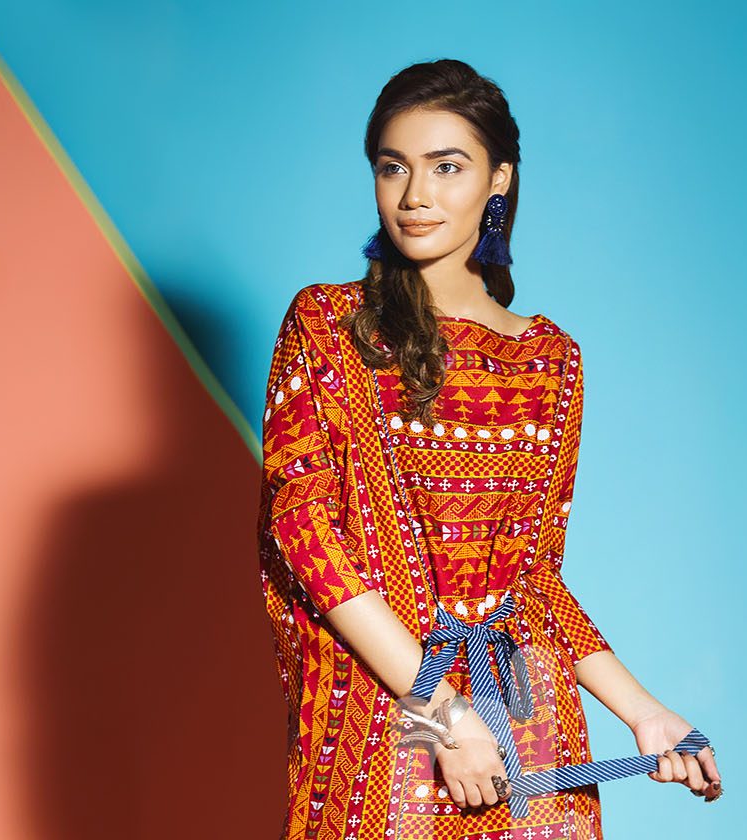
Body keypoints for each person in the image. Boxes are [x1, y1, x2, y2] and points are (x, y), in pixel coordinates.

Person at [256, 58, 722, 840]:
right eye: (393, 167)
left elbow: (534, 580)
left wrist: (645, 713)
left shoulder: (551, 359)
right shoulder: (329, 327)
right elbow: (305, 535)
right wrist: (441, 713)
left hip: (525, 719)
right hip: (393, 714)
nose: (415, 195)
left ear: (498, 179)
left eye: (447, 167)